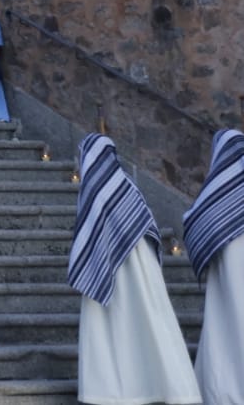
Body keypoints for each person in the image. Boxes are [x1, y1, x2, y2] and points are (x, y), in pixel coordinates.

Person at [70, 133, 201, 405]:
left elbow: (90, 236)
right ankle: (162, 386)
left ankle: (108, 389)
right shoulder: (127, 186)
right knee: (149, 324)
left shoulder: (94, 189)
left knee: (112, 328)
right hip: (142, 274)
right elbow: (149, 227)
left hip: (113, 270)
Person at [183, 128, 244, 402]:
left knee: (224, 326)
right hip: (229, 270)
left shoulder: (216, 191)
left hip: (225, 272)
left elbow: (194, 223)